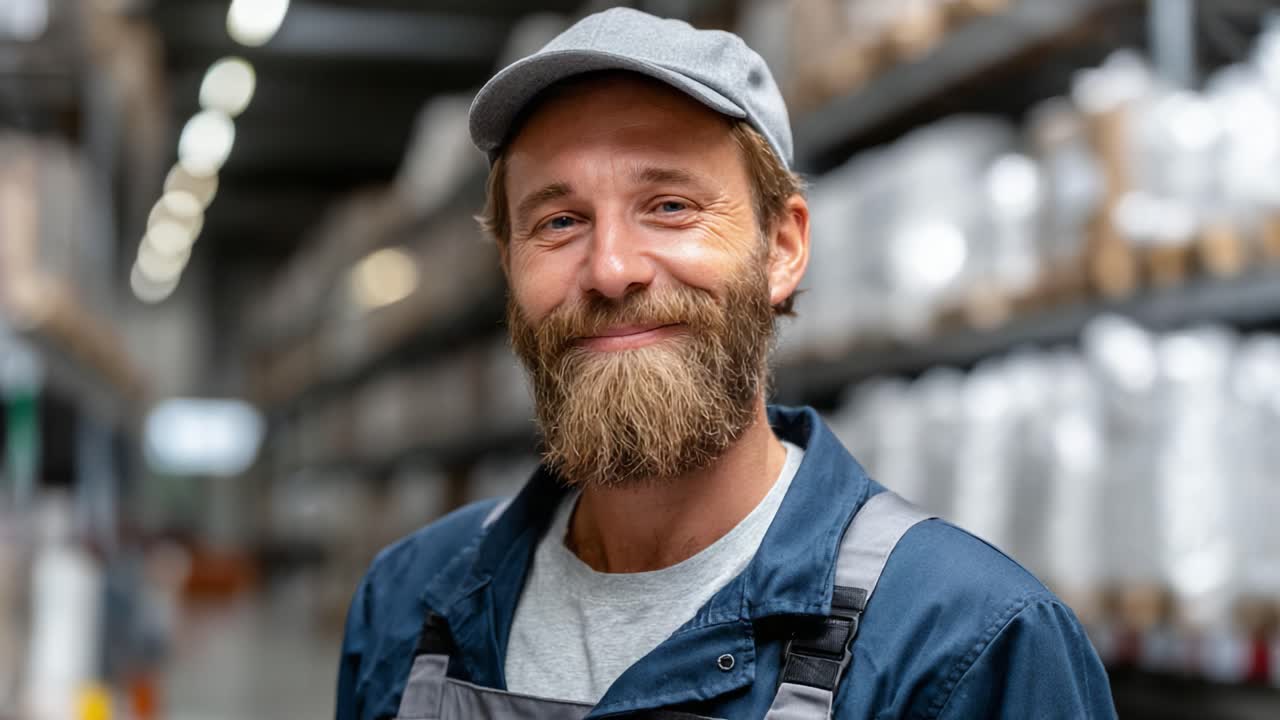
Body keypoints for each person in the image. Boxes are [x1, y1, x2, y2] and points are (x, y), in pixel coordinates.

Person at [335, 8, 1117, 719]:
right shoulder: (411, 604)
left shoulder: (966, 646)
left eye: (670, 206)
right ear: (510, 267)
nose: (611, 268)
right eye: (560, 220)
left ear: (781, 250)